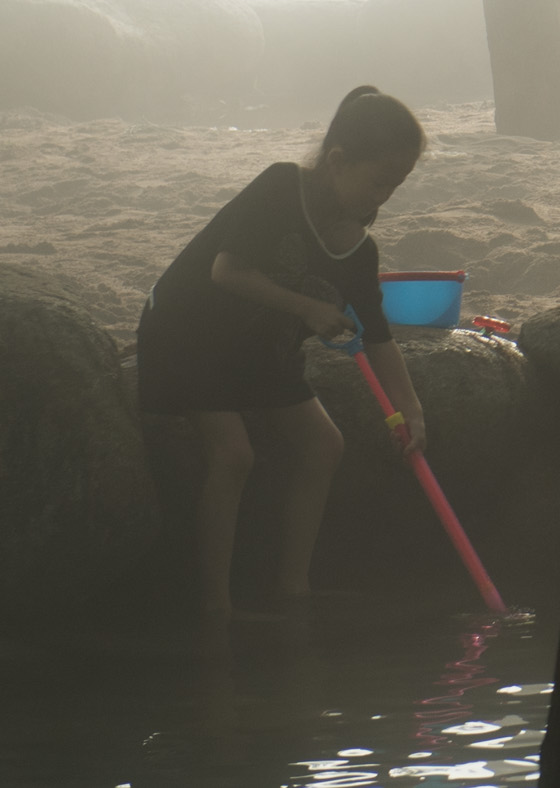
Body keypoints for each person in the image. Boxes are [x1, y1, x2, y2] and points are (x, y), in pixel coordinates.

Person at [138, 85, 431, 623]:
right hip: (190, 332)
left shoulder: (358, 247)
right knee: (233, 455)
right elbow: (226, 271)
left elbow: (378, 333)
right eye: (379, 180)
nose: (383, 197)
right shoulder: (279, 187)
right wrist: (307, 309)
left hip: (257, 346)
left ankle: (292, 589)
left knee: (324, 444)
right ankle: (216, 607)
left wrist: (409, 407)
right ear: (338, 162)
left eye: (397, 185)